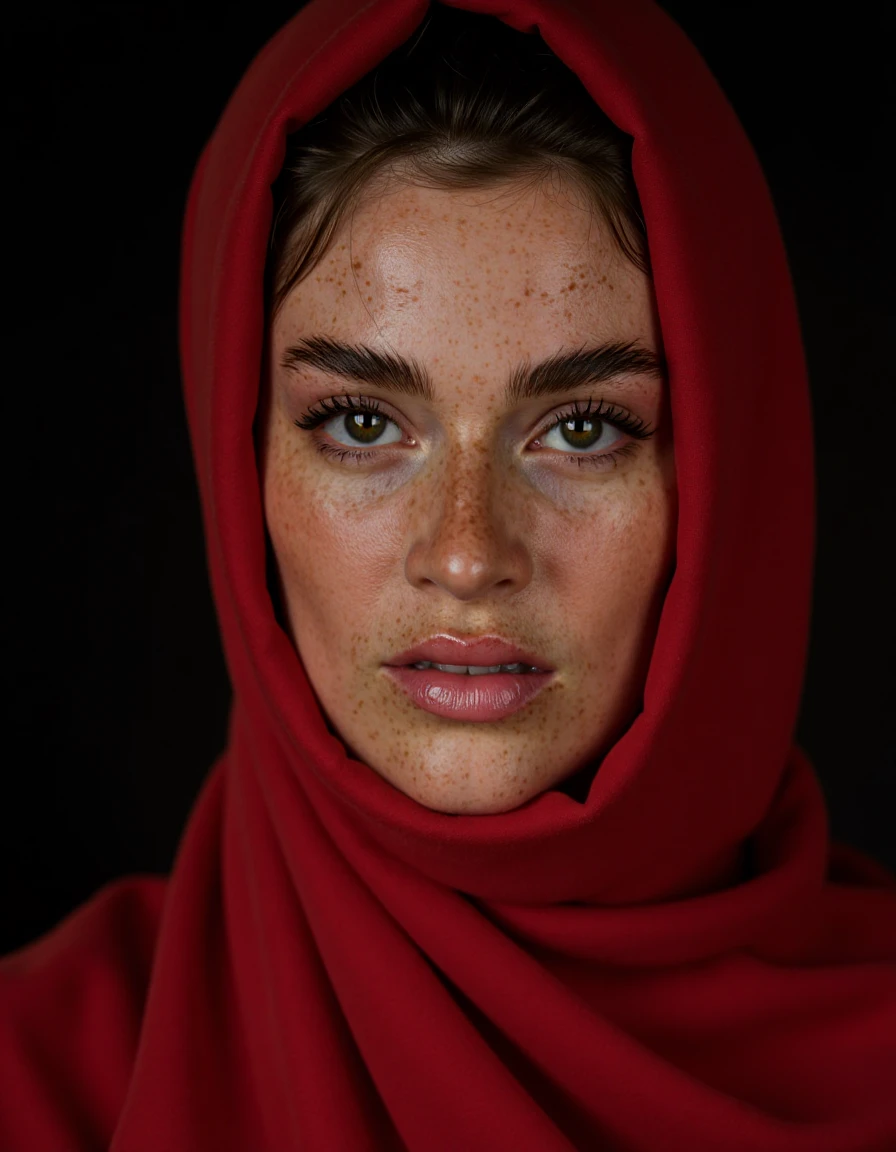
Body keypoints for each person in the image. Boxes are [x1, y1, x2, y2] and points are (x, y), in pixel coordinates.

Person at [2, 1, 894, 1149]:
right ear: (240, 462)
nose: (467, 553)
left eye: (581, 430)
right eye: (361, 421)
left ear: (732, 483)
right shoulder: (39, 1081)